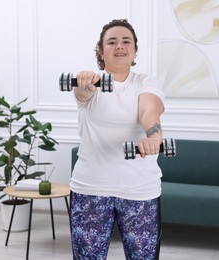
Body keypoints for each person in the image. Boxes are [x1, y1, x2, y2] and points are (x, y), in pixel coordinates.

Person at [70, 19, 165, 260]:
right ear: (101, 51)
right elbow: (83, 94)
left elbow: (149, 111)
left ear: (134, 49)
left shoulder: (146, 82)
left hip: (139, 190)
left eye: (126, 41)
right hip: (90, 188)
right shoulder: (92, 83)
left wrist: (153, 136)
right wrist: (84, 84)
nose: (119, 46)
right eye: (111, 42)